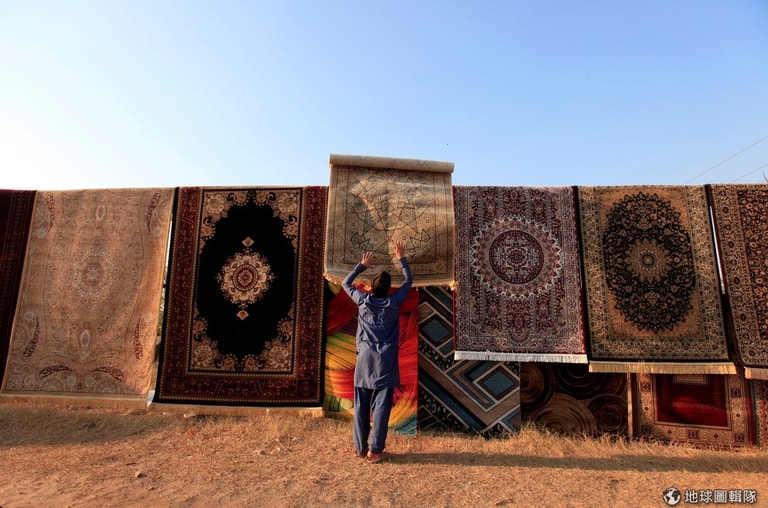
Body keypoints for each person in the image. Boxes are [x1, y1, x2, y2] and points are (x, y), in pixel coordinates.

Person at [342, 239, 413, 464]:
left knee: (361, 404)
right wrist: (401, 258)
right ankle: (375, 451)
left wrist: (361, 266)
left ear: (370, 288)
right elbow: (409, 281)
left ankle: (359, 448)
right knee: (381, 406)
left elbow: (345, 283)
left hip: (365, 358)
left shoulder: (363, 301)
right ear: (388, 289)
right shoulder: (394, 303)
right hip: (386, 359)